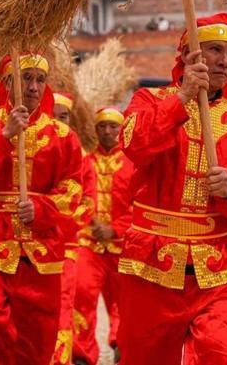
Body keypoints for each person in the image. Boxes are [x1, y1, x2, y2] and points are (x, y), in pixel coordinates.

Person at [116, 12, 227, 365]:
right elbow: (134, 144)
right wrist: (183, 96)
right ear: (190, 55)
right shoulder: (148, 100)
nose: (225, 61)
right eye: (214, 50)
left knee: (220, 356)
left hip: (220, 269)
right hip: (150, 265)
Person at [0, 53, 83, 365]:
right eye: (26, 77)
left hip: (42, 245)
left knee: (36, 338)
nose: (34, 86)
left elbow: (73, 191)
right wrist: (4, 137)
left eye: (40, 79)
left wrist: (41, 209)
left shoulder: (63, 136)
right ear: (5, 83)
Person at [73, 107, 133, 365]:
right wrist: (90, 220)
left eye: (113, 127)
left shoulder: (134, 163)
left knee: (124, 302)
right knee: (81, 294)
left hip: (124, 246)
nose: (107, 131)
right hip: (88, 243)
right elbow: (74, 195)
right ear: (95, 130)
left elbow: (140, 204)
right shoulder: (83, 162)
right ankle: (81, 355)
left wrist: (116, 228)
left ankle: (122, 344)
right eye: (102, 126)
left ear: (122, 131)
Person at [51, 92, 97, 365]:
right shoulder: (28, 150)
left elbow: (88, 203)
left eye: (64, 116)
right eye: (53, 115)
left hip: (65, 245)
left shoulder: (82, 159)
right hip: (29, 246)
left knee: (63, 305)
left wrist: (57, 224)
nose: (58, 121)